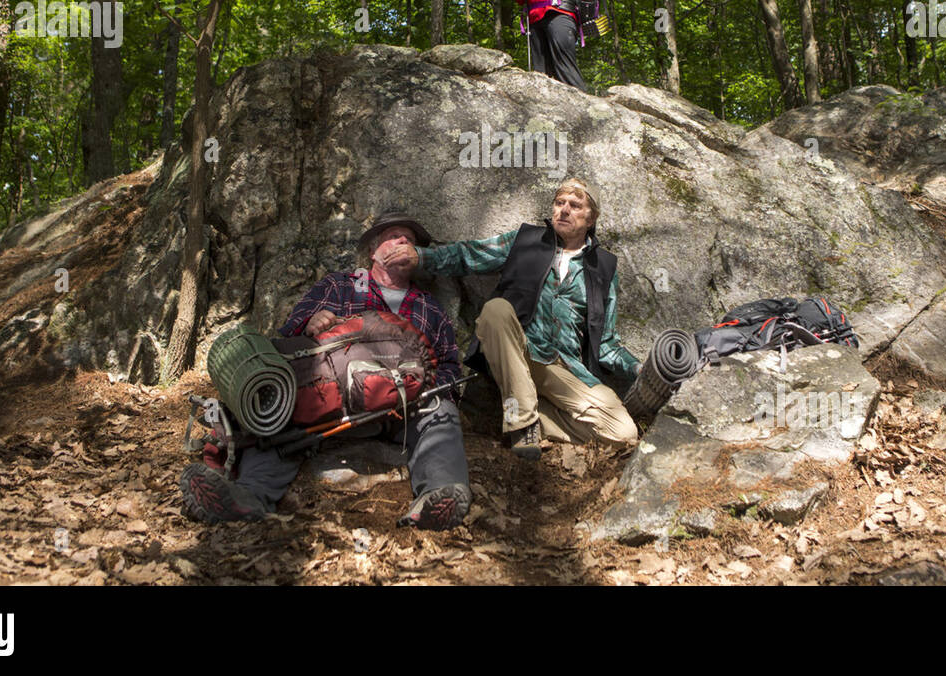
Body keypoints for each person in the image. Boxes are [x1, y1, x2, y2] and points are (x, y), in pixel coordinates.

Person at [180, 211, 471, 530]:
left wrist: (426, 388)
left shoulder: (430, 307)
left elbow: (449, 368)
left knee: (440, 411)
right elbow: (284, 346)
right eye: (393, 236)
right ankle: (246, 498)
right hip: (328, 402)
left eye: (410, 240)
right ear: (373, 252)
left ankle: (437, 496)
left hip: (400, 410)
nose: (403, 242)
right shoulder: (338, 286)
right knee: (277, 410)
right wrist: (310, 325)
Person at [415, 178, 639, 460]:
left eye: (575, 205)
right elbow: (469, 255)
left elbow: (606, 344)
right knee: (496, 310)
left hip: (564, 366)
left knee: (624, 434)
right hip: (517, 349)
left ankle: (518, 410)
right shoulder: (526, 240)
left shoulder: (604, 268)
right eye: (560, 203)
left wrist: (639, 368)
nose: (564, 210)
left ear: (591, 217)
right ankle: (522, 424)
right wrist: (420, 257)